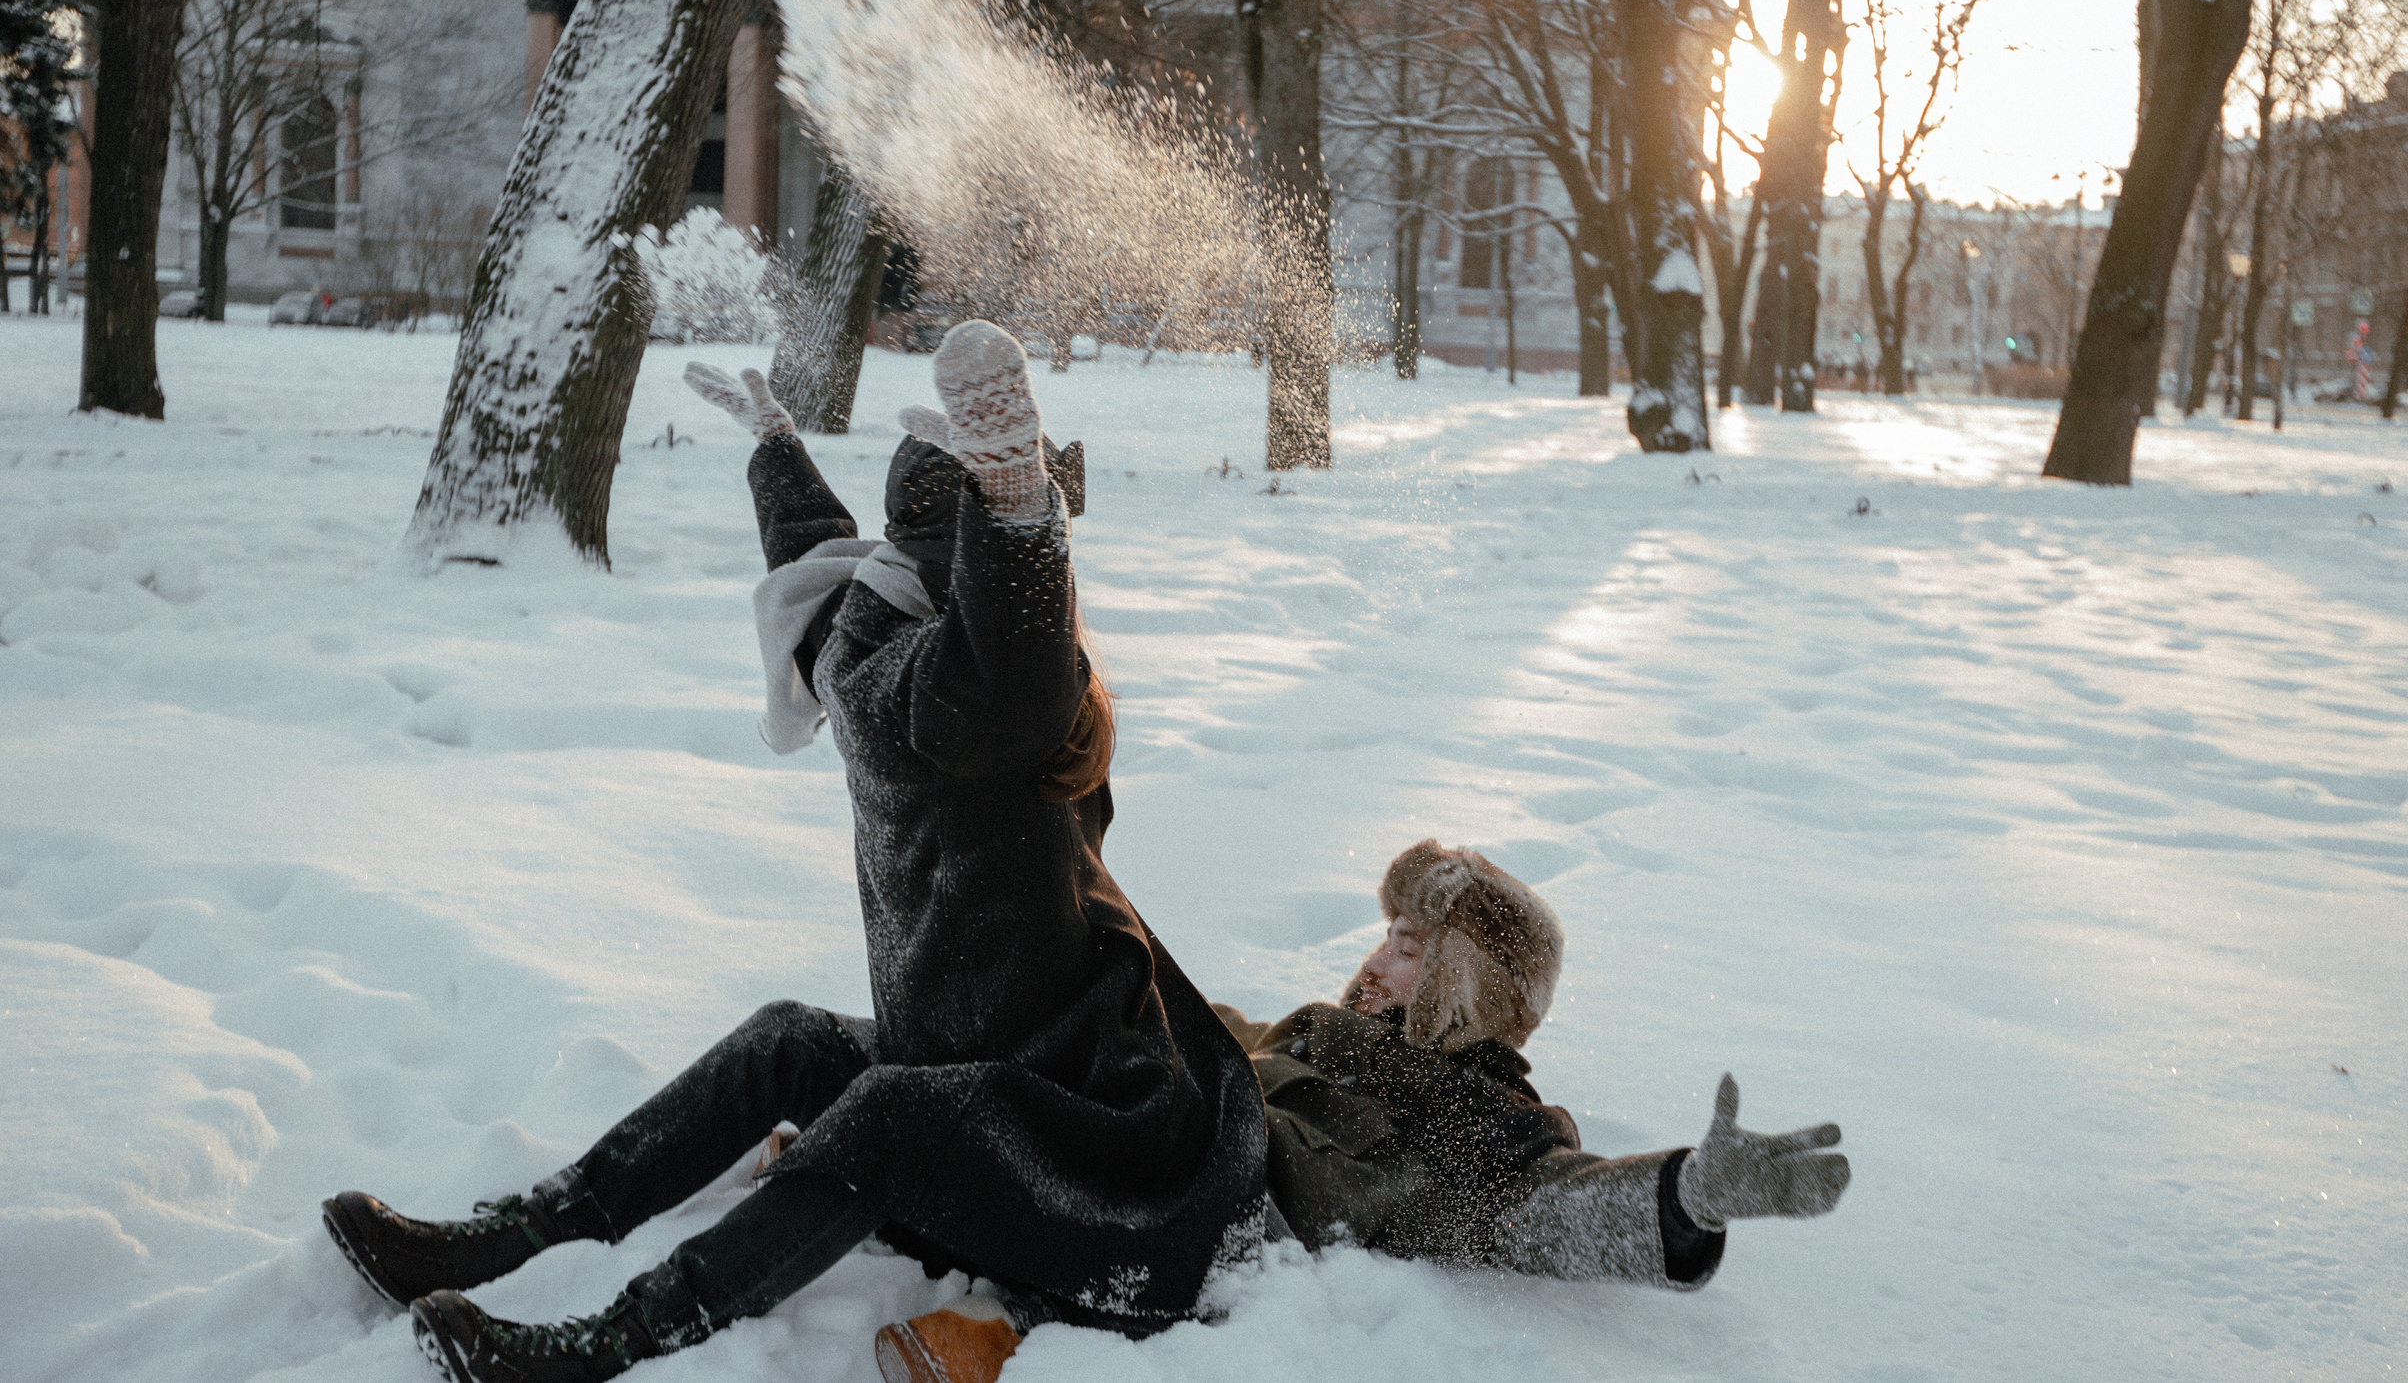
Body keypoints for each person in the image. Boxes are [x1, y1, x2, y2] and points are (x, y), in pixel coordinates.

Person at [322, 323, 1266, 1383]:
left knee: (889, 1114)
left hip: (1101, 1152)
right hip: (978, 1074)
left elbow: (1022, 648)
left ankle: (616, 1341)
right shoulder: (881, 650)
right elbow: (820, 576)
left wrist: (1017, 504)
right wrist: (776, 446)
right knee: (790, 1042)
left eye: (914, 535)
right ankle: (524, 1232)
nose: (877, 568)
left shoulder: (980, 699)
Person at [1215, 840, 1850, 1289]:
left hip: (1206, 1197)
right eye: (1384, 939)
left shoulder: (1474, 1125)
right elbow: (1201, 1029)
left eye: (1407, 948)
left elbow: (1548, 1208)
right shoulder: (1319, 1037)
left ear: (1465, 981)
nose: (1375, 964)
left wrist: (1687, 1199)